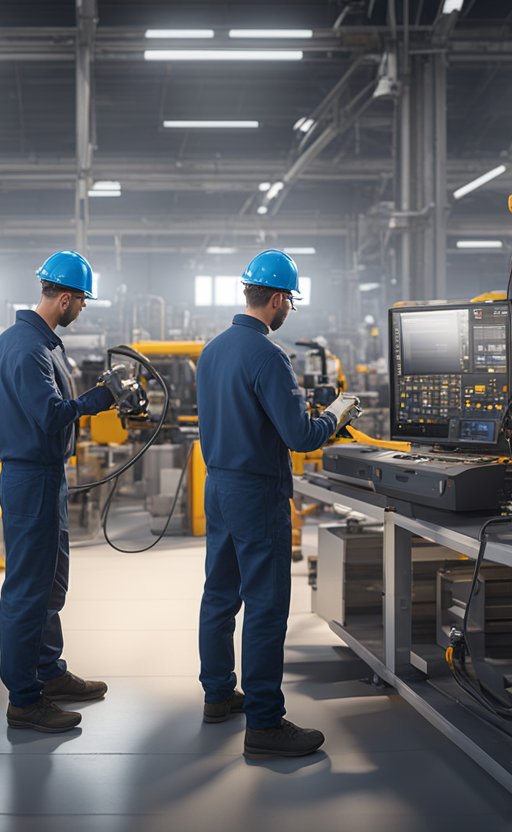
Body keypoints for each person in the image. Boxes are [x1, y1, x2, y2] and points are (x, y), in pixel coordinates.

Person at [195, 249, 360, 758]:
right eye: (290, 301)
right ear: (279, 298)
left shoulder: (212, 351)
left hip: (218, 485)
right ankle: (265, 723)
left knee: (220, 594)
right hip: (256, 491)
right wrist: (336, 414)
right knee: (266, 605)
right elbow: (299, 435)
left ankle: (219, 694)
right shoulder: (269, 356)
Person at [0, 250, 117, 733]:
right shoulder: (24, 348)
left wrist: (92, 395)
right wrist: (99, 400)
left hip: (47, 475)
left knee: (50, 581)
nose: (82, 309)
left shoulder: (42, 345)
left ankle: (48, 672)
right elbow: (50, 414)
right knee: (27, 589)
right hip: (30, 476)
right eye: (81, 301)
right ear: (64, 298)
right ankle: (24, 699)